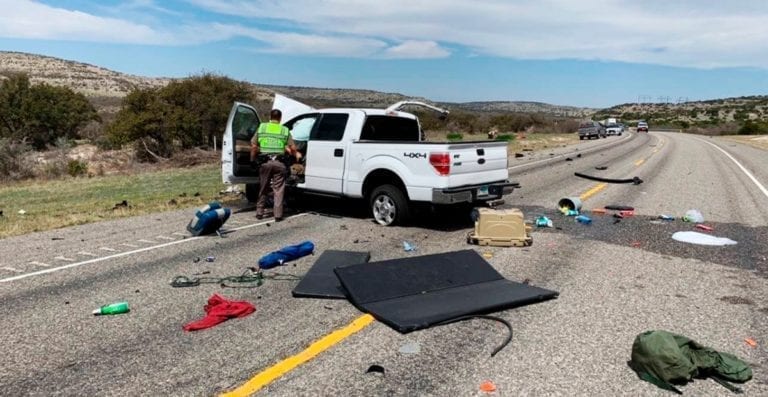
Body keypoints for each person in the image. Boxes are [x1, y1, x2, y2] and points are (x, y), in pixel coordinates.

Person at [250, 109, 302, 221]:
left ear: (270, 116)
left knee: (263, 187)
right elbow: (292, 148)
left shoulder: (262, 127)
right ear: (280, 118)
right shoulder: (284, 130)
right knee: (278, 189)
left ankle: (259, 212)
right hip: (279, 163)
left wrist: (252, 159)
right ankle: (278, 215)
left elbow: (254, 146)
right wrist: (296, 155)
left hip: (265, 163)